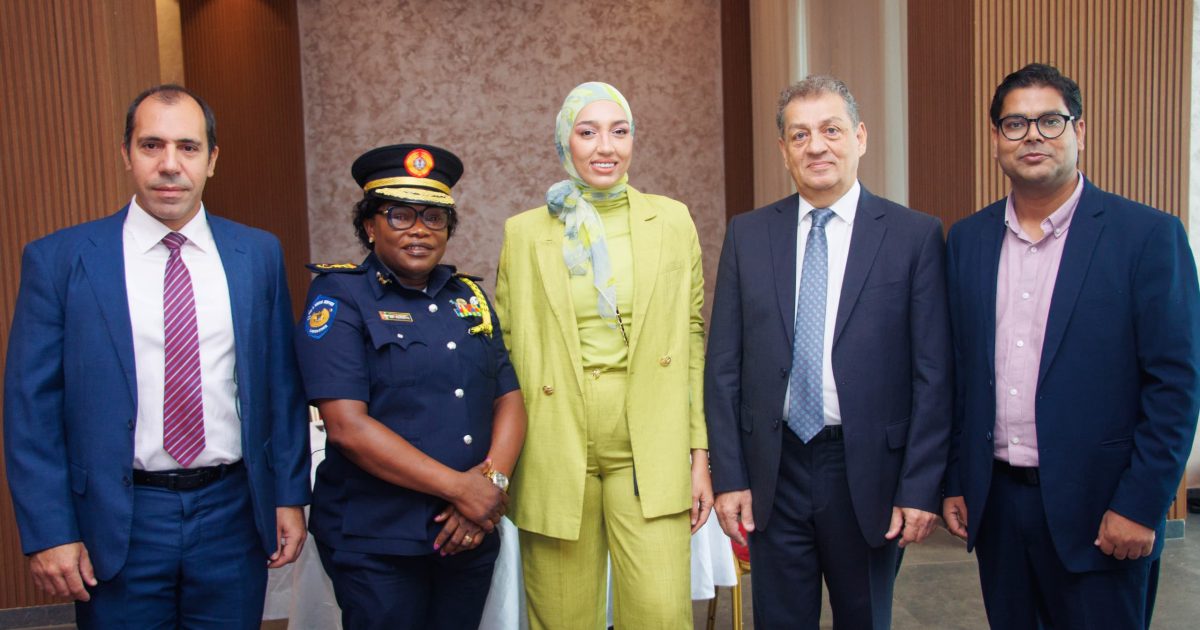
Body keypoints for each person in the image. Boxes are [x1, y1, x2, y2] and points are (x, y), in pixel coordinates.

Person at [3, 84, 311, 628]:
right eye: (152, 145)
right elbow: (31, 410)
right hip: (117, 519)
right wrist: (51, 531)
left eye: (188, 148)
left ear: (212, 160)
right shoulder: (60, 260)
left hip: (232, 514)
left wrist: (289, 495)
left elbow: (279, 386)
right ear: (126, 154)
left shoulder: (256, 254)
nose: (170, 165)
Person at [941, 63, 1200, 629]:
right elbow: (960, 372)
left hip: (1104, 510)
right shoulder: (967, 240)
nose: (1032, 136)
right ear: (995, 140)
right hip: (998, 509)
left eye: (1050, 121)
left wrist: (1140, 503)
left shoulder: (1148, 237)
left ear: (1079, 132)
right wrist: (957, 480)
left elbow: (1176, 388)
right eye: (1015, 124)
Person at [705, 75, 952, 629]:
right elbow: (724, 367)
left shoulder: (913, 236)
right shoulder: (748, 236)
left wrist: (920, 487)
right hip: (775, 468)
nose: (816, 145)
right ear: (784, 150)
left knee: (864, 618)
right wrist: (730, 476)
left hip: (868, 471)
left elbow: (933, 375)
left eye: (831, 130)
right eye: (800, 135)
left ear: (860, 137)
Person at [495, 81, 710, 629]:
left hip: (650, 441)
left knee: (661, 613)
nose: (605, 147)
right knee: (562, 616)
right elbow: (508, 350)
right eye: (587, 132)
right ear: (565, 142)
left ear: (634, 139)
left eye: (619, 131)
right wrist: (501, 463)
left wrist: (701, 454)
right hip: (553, 438)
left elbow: (691, 340)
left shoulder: (672, 221)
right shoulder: (523, 233)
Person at [294, 144, 526, 630]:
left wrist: (490, 486)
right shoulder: (340, 296)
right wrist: (463, 490)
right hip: (378, 539)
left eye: (434, 217)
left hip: (467, 534)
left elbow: (508, 396)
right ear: (369, 225)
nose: (419, 229)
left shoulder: (469, 298)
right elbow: (346, 427)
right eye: (399, 215)